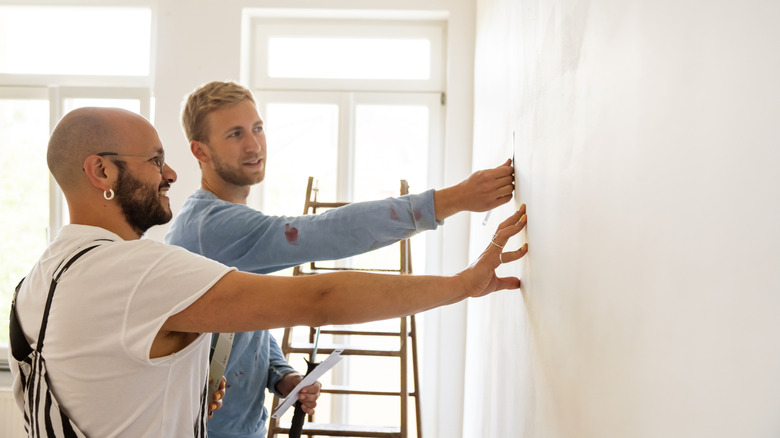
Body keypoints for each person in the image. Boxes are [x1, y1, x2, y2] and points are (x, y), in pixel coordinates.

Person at [10, 106, 527, 437]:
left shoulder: (34, 284)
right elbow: (318, 295)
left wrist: (198, 385)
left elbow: (104, 387)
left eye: (257, 128)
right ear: (101, 170)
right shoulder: (138, 269)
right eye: (155, 160)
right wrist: (463, 282)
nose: (169, 173)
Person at [165, 80, 520, 438]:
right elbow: (324, 233)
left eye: (257, 128)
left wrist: (282, 374)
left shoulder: (219, 223)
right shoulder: (210, 227)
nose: (254, 144)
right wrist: (451, 200)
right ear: (200, 151)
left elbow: (241, 317)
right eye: (235, 134)